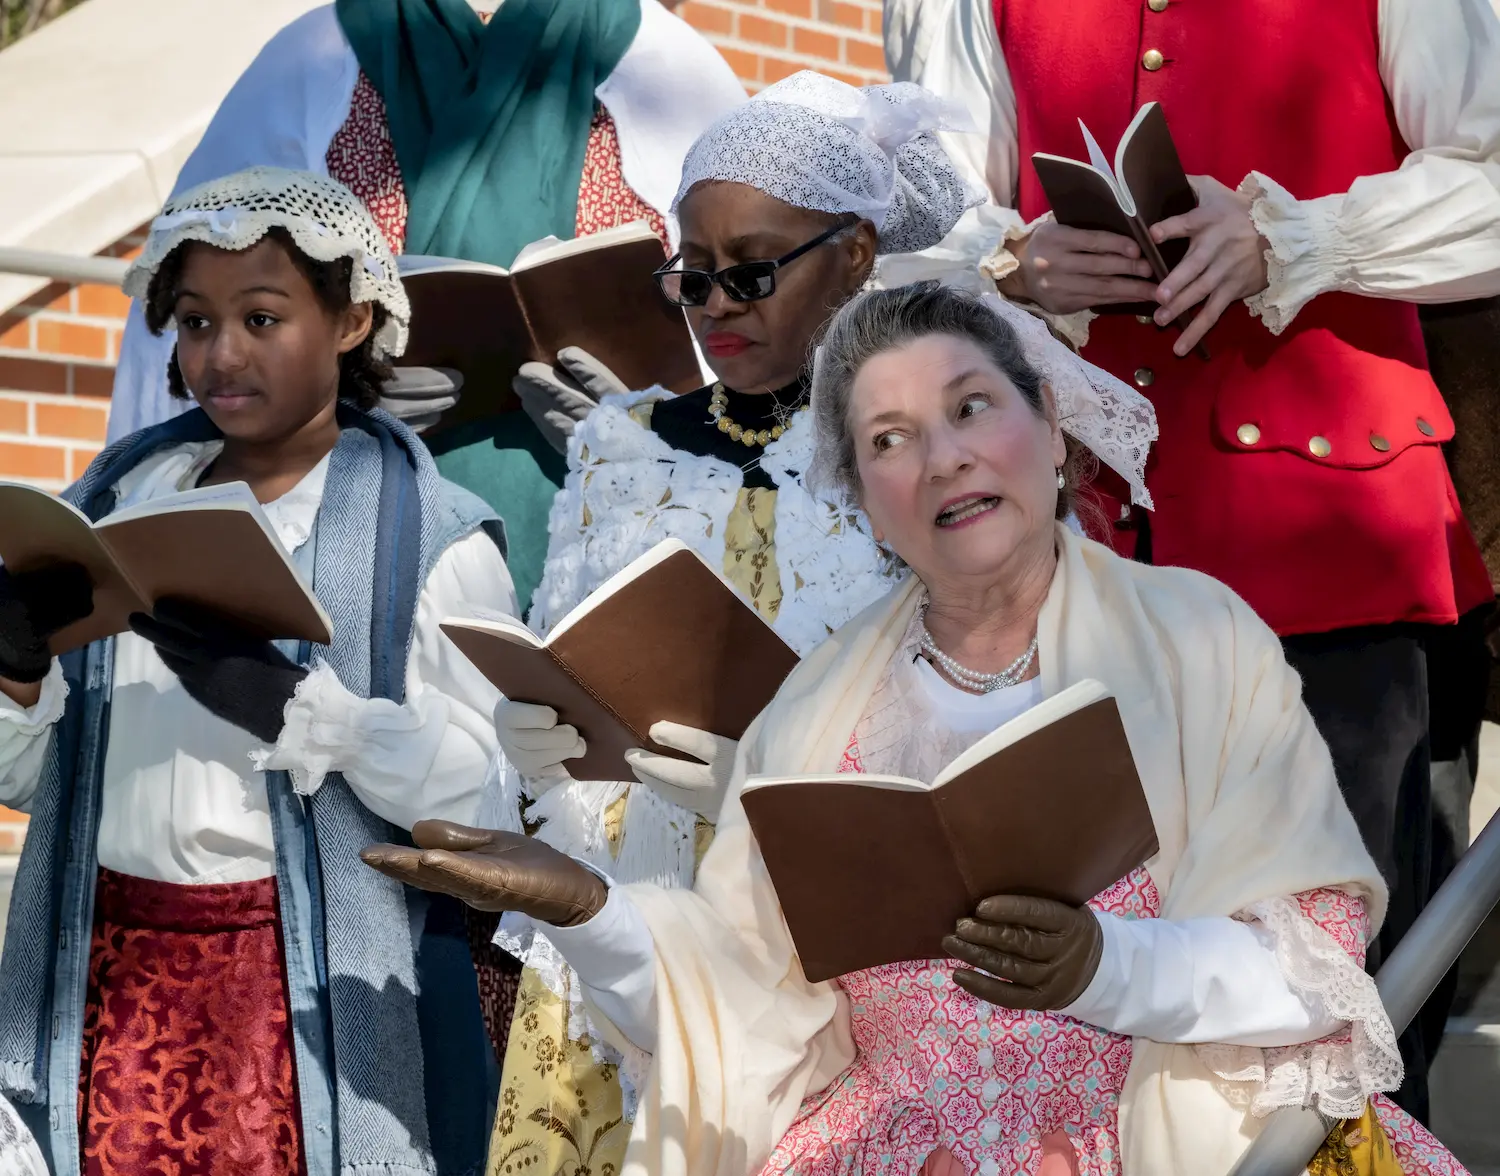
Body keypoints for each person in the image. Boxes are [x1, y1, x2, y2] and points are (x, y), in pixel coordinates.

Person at [363, 282, 1469, 1176]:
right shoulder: (816, 708)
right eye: (890, 439)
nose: (943, 459)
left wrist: (1104, 964)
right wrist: (589, 909)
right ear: (862, 501)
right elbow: (741, 1012)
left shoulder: (1199, 641)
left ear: (1049, 422)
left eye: (972, 408)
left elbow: (1311, 974)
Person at [453, 71, 1153, 1176]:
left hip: (832, 958)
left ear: (856, 254)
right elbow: (568, 648)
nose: (718, 306)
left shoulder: (924, 463)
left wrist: (767, 787)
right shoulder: (622, 445)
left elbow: (1000, 720)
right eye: (692, 276)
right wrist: (537, 750)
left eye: (752, 271)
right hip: (624, 917)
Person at [881, 0, 1500, 1117]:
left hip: (1335, 550)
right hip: (1078, 559)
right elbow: (915, 215)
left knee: (1342, 991)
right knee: (1083, 992)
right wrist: (1011, 264)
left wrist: (1296, 238)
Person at [0, 168, 514, 1176]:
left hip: (301, 1003)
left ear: (353, 321)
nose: (221, 354)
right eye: (195, 322)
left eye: (262, 318)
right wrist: (19, 676)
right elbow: (35, 786)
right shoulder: (118, 501)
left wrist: (300, 711)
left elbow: (489, 804)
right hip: (105, 979)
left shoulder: (434, 541)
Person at [106, 0, 746, 615]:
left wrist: (659, 433)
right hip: (339, 543)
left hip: (619, 550)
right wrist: (325, 407)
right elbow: (193, 308)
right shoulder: (307, 64)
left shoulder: (668, 70)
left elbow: (761, 318)